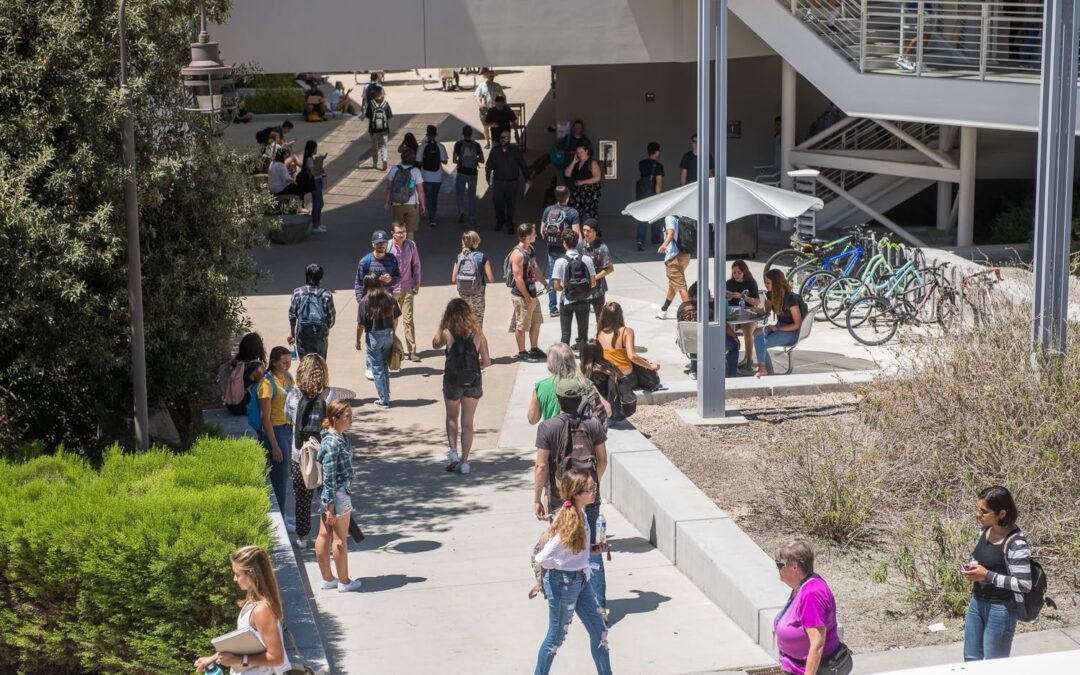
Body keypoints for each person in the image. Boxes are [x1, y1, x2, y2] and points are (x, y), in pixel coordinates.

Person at [534, 384, 612, 626]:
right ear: (580, 399)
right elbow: (602, 460)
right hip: (589, 498)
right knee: (593, 547)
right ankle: (599, 606)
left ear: (558, 400)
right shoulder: (593, 425)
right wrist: (590, 487)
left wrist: (537, 497)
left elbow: (541, 466)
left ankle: (562, 598)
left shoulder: (547, 427)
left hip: (561, 497)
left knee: (559, 545)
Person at [962, 486, 1032, 661]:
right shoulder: (984, 531)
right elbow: (980, 558)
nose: (978, 514)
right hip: (977, 603)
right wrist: (972, 568)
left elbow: (1024, 584)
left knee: (995, 666)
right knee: (971, 659)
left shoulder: (1016, 543)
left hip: (1001, 609)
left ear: (1001, 514)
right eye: (978, 509)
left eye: (984, 511)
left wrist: (987, 576)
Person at [193, 546, 290, 673]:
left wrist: (238, 660)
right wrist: (213, 657)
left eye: (237, 574)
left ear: (252, 574)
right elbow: (247, 644)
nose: (234, 579)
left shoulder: (262, 611)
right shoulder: (253, 600)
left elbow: (277, 658)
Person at [434, 298, 491, 475]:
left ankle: (453, 453)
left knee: (452, 417)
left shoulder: (447, 331)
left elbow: (435, 344)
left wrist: (442, 324)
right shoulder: (478, 332)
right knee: (468, 423)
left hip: (452, 380)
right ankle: (465, 462)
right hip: (473, 380)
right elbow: (487, 361)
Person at [774, 539, 844, 675]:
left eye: (779, 565)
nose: (778, 569)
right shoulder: (802, 587)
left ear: (794, 567)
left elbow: (817, 644)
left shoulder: (811, 594)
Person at [314, 400, 364, 593]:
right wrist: (330, 508)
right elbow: (330, 477)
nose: (351, 419)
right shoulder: (334, 443)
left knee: (324, 535)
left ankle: (328, 579)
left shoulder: (334, 437)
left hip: (330, 495)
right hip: (338, 495)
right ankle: (344, 581)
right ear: (335, 419)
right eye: (347, 416)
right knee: (340, 539)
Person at [290, 354, 329, 549]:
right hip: (325, 455)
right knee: (326, 496)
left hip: (300, 455)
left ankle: (302, 536)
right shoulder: (330, 395)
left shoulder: (294, 395)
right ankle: (327, 533)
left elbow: (290, 417)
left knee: (302, 498)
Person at [527, 343, 611, 426]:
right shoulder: (586, 383)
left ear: (551, 363)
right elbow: (608, 411)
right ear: (572, 360)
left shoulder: (541, 386)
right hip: (580, 437)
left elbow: (532, 420)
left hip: (553, 435)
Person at [257, 347, 294, 517]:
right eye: (284, 362)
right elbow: (265, 418)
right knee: (280, 477)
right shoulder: (266, 383)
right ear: (274, 362)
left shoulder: (288, 377)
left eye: (289, 361)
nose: (288, 365)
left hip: (288, 428)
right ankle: (281, 516)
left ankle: (284, 514)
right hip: (276, 430)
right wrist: (274, 445)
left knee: (285, 475)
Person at [677, 282, 739, 379]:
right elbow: (724, 327)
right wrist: (735, 336)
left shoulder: (681, 308)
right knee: (734, 345)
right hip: (710, 344)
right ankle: (732, 375)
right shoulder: (710, 308)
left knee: (692, 336)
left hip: (688, 344)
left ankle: (695, 369)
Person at [356, 274, 400, 409]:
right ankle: (386, 395)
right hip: (388, 335)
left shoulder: (364, 301)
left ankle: (384, 399)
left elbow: (360, 325)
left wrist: (357, 340)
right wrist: (393, 332)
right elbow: (396, 317)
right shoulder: (389, 297)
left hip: (373, 337)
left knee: (377, 368)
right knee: (384, 366)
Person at [596, 301, 661, 392]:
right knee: (645, 372)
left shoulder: (599, 333)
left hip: (609, 378)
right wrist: (650, 366)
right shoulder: (626, 331)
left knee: (640, 361)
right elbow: (632, 356)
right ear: (620, 315)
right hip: (627, 379)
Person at [753, 269, 807, 377]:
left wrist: (778, 329)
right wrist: (753, 310)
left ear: (776, 283)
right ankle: (769, 371)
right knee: (757, 333)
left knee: (762, 343)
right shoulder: (770, 294)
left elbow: (798, 324)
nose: (766, 285)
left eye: (768, 282)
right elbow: (766, 309)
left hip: (793, 331)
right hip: (779, 326)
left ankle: (763, 369)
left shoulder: (791, 298)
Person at [509, 223, 549, 362]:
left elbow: (535, 268)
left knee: (536, 322)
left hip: (532, 293)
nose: (536, 235)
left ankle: (534, 348)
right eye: (534, 233)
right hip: (522, 296)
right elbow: (518, 278)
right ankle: (522, 352)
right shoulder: (518, 254)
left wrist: (544, 283)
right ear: (526, 236)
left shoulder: (530, 249)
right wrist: (526, 296)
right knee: (521, 325)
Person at [540, 186, 582, 318]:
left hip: (552, 249)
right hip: (568, 249)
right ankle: (571, 300)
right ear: (568, 196)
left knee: (553, 277)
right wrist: (580, 247)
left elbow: (542, 231)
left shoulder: (548, 210)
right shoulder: (572, 212)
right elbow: (576, 233)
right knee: (571, 275)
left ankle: (553, 308)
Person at [553, 229, 596, 349]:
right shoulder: (587, 259)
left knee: (565, 334)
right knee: (583, 335)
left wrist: (566, 290)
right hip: (584, 300)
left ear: (564, 243)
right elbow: (593, 283)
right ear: (577, 243)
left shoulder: (559, 262)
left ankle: (564, 360)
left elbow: (556, 286)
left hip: (566, 301)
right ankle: (584, 359)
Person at [389, 222, 422, 362]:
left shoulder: (411, 246)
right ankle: (392, 348)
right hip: (391, 290)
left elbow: (416, 264)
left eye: (403, 231)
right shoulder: (387, 247)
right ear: (392, 233)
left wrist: (417, 282)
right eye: (398, 232)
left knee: (408, 320)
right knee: (391, 322)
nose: (402, 234)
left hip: (407, 288)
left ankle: (412, 351)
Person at [288, 263, 336, 361]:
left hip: (302, 336)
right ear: (320, 278)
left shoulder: (298, 292)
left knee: (305, 364)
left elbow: (292, 315)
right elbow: (331, 319)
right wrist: (324, 329)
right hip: (320, 336)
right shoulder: (327, 294)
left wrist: (292, 335)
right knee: (320, 365)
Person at [486, 130, 530, 233]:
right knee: (498, 202)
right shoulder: (495, 151)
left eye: (506, 137)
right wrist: (488, 177)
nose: (503, 139)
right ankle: (500, 220)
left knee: (511, 204)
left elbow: (523, 165)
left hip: (512, 183)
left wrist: (527, 178)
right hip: (498, 182)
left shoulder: (515, 150)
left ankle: (510, 224)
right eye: (502, 137)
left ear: (509, 139)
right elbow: (489, 165)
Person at [452, 230, 495, 328]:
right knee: (477, 324)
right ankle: (476, 342)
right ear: (475, 242)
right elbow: (491, 278)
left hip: (463, 292)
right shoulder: (482, 257)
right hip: (478, 292)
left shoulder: (459, 257)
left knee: (465, 321)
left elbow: (453, 279)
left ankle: (465, 341)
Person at [726, 260, 761, 371]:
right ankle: (730, 358)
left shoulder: (751, 283)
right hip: (733, 315)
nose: (736, 275)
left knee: (747, 330)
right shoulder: (729, 283)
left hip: (748, 315)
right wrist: (728, 297)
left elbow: (756, 302)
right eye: (734, 273)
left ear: (744, 272)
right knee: (727, 328)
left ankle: (749, 359)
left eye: (739, 273)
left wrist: (742, 296)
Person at [655, 216, 691, 320]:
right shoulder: (680, 216)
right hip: (685, 255)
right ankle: (663, 310)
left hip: (674, 257)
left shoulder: (669, 218)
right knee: (674, 284)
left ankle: (691, 315)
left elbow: (670, 234)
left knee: (680, 285)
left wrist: (663, 245)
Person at [385, 147, 426, 238]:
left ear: (402, 157)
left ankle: (398, 251)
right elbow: (421, 190)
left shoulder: (394, 169)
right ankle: (409, 251)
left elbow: (389, 187)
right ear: (413, 159)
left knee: (398, 230)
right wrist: (422, 204)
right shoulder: (415, 171)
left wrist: (387, 202)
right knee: (410, 231)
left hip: (397, 203)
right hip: (412, 205)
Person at [227, 332, 267, 415]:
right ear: (258, 349)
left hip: (232, 405)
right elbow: (265, 389)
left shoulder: (235, 362)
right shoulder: (257, 367)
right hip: (247, 407)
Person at [581, 219, 614, 320]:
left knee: (600, 319)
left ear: (595, 232)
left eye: (588, 231)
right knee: (582, 320)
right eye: (584, 230)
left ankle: (600, 335)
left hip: (597, 290)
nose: (585, 233)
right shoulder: (581, 245)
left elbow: (609, 269)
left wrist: (594, 278)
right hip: (583, 289)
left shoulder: (602, 248)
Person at [634, 142, 665, 250]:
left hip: (642, 195)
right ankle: (656, 240)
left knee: (642, 218)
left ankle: (640, 240)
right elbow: (658, 182)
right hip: (652, 195)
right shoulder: (658, 166)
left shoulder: (641, 163)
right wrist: (658, 196)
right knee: (655, 217)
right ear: (657, 152)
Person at [355, 230, 401, 299]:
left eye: (384, 242)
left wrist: (390, 279)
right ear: (373, 243)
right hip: (370, 303)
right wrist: (361, 302)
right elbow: (359, 283)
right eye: (378, 243)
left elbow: (398, 277)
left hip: (388, 303)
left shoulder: (392, 259)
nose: (381, 245)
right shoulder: (364, 262)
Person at [418, 124, 448, 228]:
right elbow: (445, 161)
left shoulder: (422, 146)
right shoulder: (440, 146)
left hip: (425, 176)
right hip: (437, 177)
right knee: (434, 197)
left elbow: (418, 161)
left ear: (427, 134)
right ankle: (433, 215)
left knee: (429, 197)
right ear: (436, 135)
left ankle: (432, 217)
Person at [453, 126, 485, 225]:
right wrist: (475, 160)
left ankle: (461, 212)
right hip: (473, 173)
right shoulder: (476, 145)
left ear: (463, 133)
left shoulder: (458, 144)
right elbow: (482, 160)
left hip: (461, 172)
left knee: (460, 194)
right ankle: (472, 217)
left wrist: (461, 161)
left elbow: (454, 160)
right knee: (472, 195)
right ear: (471, 134)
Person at [564, 142, 603, 220]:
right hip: (577, 192)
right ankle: (577, 231)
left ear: (586, 151)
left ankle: (593, 231)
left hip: (589, 193)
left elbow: (597, 177)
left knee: (590, 213)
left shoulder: (592, 162)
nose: (579, 154)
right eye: (577, 152)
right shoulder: (576, 162)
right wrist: (573, 162)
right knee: (575, 212)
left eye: (581, 152)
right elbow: (567, 174)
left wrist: (582, 182)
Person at [299, 140, 326, 232]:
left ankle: (318, 223)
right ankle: (315, 225)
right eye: (315, 147)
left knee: (320, 203)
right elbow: (313, 173)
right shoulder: (309, 160)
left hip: (317, 181)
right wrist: (320, 170)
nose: (316, 149)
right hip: (315, 182)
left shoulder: (310, 158)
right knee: (317, 203)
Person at [474, 67, 505, 147]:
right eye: (490, 76)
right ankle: (488, 142)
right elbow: (476, 96)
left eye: (493, 76)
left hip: (494, 109)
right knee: (485, 127)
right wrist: (480, 104)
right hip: (484, 110)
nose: (492, 78)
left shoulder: (497, 85)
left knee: (495, 126)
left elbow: (503, 95)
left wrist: (502, 105)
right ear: (487, 77)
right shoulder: (481, 86)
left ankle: (495, 141)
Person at [365, 85, 392, 171]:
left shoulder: (371, 103)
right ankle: (384, 160)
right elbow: (389, 116)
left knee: (374, 147)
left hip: (373, 129)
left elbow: (368, 116)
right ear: (381, 93)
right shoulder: (385, 104)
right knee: (384, 146)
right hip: (384, 129)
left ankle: (375, 163)